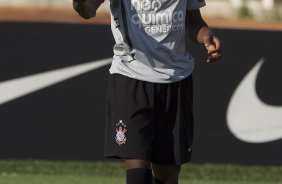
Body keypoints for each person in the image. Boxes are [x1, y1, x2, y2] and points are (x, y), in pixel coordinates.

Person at [73, 0, 222, 183]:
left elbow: (193, 21)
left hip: (177, 79)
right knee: (138, 170)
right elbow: (88, 10)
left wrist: (206, 34)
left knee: (167, 174)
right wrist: (79, 3)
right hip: (131, 76)